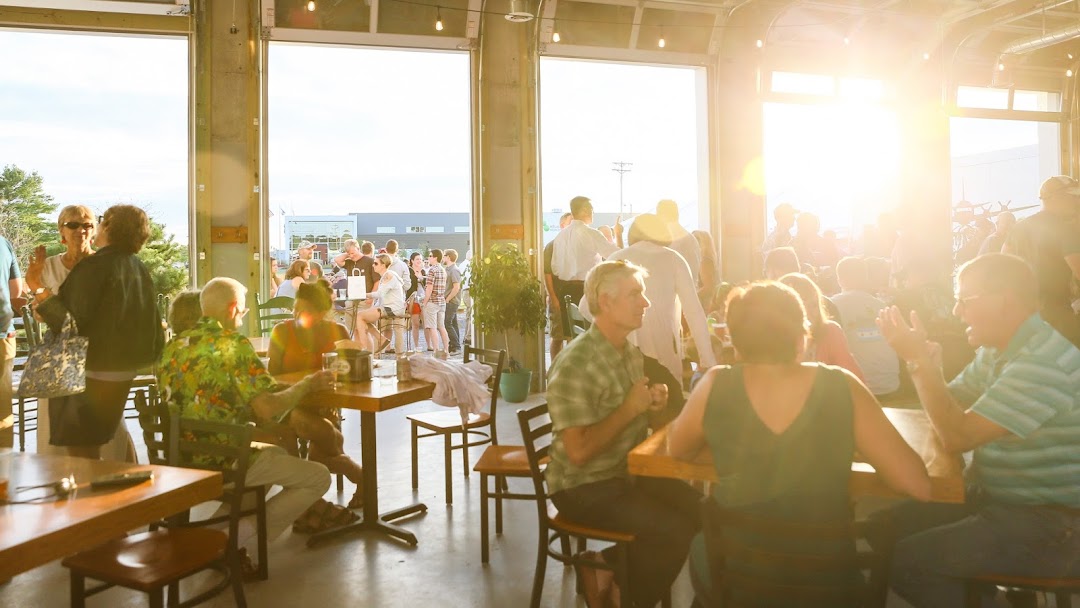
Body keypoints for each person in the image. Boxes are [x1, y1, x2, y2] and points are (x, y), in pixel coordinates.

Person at [666, 281, 930, 607]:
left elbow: (677, 449)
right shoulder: (841, 385)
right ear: (801, 336)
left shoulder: (716, 383)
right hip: (827, 584)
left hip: (736, 578)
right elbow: (918, 485)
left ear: (736, 341)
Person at [874, 253, 1080, 607]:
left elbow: (957, 434)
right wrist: (930, 367)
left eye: (963, 300)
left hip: (1053, 526)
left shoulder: (1040, 364)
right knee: (885, 529)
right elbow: (950, 405)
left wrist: (918, 363)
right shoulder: (1002, 349)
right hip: (1008, 504)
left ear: (1004, 301)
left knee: (912, 562)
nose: (956, 311)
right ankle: (981, 596)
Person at [546, 260, 702, 608]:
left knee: (704, 512)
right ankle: (626, 599)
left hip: (626, 473)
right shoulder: (576, 364)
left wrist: (652, 403)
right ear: (606, 301)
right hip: (582, 486)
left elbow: (634, 411)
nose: (645, 303)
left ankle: (605, 567)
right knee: (672, 531)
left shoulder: (629, 353)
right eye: (635, 294)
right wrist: (631, 408)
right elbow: (579, 453)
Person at [158, 277, 335, 567]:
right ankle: (230, 542)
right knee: (318, 476)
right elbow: (267, 409)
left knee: (273, 456)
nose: (242, 318)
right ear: (232, 310)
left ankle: (209, 538)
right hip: (224, 462)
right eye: (242, 312)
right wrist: (307, 385)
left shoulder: (172, 348)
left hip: (181, 458)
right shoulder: (232, 344)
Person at [26, 205, 163, 459]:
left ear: (109, 226)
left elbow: (68, 323)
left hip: (87, 374)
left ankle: (85, 497)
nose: (91, 228)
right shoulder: (135, 266)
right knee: (99, 449)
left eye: (96, 222)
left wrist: (36, 286)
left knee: (82, 457)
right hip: (120, 371)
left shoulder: (96, 267)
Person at [583, 213, 717, 384]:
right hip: (665, 356)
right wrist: (707, 361)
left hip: (620, 359)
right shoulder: (674, 259)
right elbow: (694, 312)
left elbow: (585, 307)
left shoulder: (617, 258)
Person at [268, 280, 364, 509]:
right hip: (289, 404)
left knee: (322, 453)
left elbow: (349, 373)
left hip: (325, 404)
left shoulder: (337, 332)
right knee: (326, 437)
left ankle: (311, 505)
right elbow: (271, 379)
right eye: (295, 309)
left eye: (305, 311)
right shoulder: (282, 331)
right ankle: (363, 479)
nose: (298, 315)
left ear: (322, 313)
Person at [1003, 175, 1080, 346]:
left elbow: (1002, 265)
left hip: (1023, 317)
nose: (1077, 202)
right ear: (1057, 198)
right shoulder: (1064, 229)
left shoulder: (1018, 228)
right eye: (1073, 197)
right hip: (1056, 315)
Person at [831, 256, 900, 398]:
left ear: (839, 280)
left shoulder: (832, 305)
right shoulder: (881, 305)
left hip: (858, 388)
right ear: (866, 278)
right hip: (891, 383)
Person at [550, 196, 620, 334]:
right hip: (587, 291)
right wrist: (618, 234)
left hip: (565, 291)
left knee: (572, 338)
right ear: (584, 210)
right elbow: (616, 256)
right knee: (594, 337)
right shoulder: (591, 234)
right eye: (592, 209)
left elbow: (555, 269)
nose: (593, 212)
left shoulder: (560, 236)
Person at [779, 273, 864, 381]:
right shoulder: (769, 341)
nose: (809, 313)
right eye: (802, 306)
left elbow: (855, 380)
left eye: (814, 305)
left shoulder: (830, 331)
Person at [354, 253, 406, 353]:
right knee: (362, 318)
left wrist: (365, 295)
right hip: (395, 307)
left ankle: (364, 349)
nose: (373, 265)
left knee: (359, 317)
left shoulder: (388, 276)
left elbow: (380, 294)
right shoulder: (389, 274)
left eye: (376, 263)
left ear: (383, 265)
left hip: (391, 308)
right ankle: (380, 340)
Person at [0, 234, 22, 449]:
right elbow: (16, 291)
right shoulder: (4, 243)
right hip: (4, 335)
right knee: (2, 404)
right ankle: (4, 468)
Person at [544, 212, 574, 360]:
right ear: (562, 225)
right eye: (571, 222)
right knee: (557, 336)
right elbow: (547, 273)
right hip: (558, 296)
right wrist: (552, 296)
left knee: (573, 337)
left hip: (575, 298)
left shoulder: (578, 246)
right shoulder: (552, 245)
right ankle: (555, 368)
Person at [656, 199, 701, 286]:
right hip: (690, 286)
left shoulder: (670, 236)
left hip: (677, 290)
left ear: (662, 214)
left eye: (657, 213)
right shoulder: (688, 236)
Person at [420, 249, 449, 352]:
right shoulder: (443, 270)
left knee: (432, 328)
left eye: (430, 256)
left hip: (432, 301)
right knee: (441, 327)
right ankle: (446, 350)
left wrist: (424, 302)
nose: (429, 257)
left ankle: (436, 351)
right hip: (441, 301)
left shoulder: (432, 270)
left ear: (435, 257)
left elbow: (429, 288)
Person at [442, 248, 463, 355]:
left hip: (452, 301)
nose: (443, 257)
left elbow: (456, 287)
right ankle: (454, 346)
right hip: (449, 300)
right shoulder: (448, 269)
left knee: (447, 323)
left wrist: (448, 299)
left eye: (444, 255)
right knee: (453, 324)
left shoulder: (454, 270)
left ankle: (457, 347)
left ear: (449, 257)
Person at [692, 229, 719, 306]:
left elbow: (708, 287)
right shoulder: (709, 259)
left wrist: (692, 296)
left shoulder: (704, 261)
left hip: (705, 303)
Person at [407, 252, 425, 349]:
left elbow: (427, 285)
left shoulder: (424, 271)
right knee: (415, 323)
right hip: (413, 299)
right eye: (417, 259)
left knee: (426, 322)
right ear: (412, 260)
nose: (419, 261)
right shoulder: (409, 271)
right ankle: (416, 345)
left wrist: (421, 277)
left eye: (420, 259)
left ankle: (429, 345)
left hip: (423, 298)